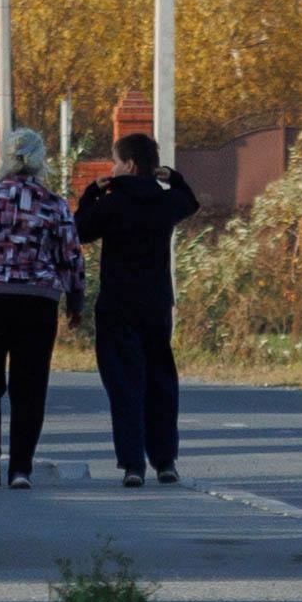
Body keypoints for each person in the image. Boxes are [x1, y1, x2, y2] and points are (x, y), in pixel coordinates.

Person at [0, 128, 84, 489]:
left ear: (5, 156)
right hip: (37, 301)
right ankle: (20, 468)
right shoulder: (54, 203)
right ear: (41, 159)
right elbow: (70, 256)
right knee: (30, 386)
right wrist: (76, 301)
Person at [75, 132, 199, 488]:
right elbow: (190, 203)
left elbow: (79, 230)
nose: (112, 168)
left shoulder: (112, 203)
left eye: (115, 161)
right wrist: (172, 176)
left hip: (118, 305)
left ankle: (132, 464)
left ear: (128, 164)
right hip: (157, 303)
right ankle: (166, 461)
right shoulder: (165, 202)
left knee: (125, 383)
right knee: (160, 382)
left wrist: (92, 193)